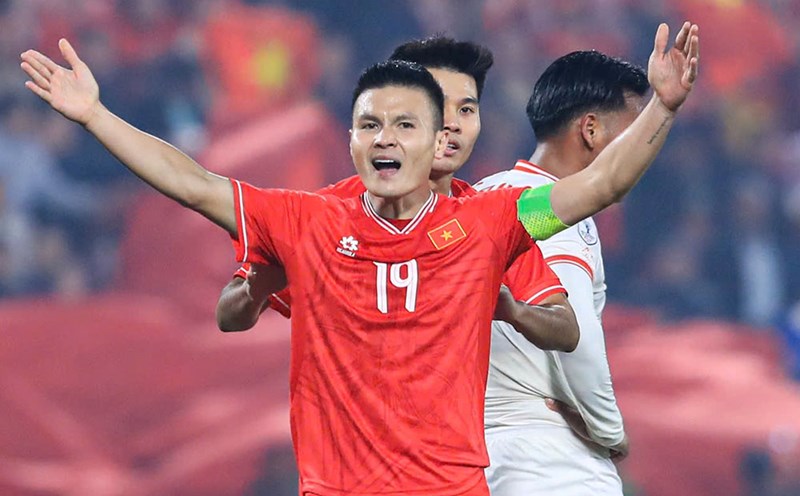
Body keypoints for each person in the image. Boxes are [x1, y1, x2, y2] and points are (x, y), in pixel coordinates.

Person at [20, 19, 697, 495]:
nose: (385, 139)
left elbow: (601, 184)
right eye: (370, 124)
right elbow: (193, 184)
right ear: (349, 137)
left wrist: (662, 109)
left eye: (405, 125)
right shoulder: (309, 219)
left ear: (438, 142)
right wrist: (96, 116)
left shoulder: (490, 223)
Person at [216, 37, 579, 353]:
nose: (450, 123)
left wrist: (512, 311)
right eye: (436, 106)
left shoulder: (491, 220)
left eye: (466, 109)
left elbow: (564, 329)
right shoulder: (326, 213)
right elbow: (229, 315)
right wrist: (254, 291)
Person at [475, 38, 697, 495]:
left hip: (475, 455)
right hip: (550, 459)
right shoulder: (552, 212)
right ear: (590, 130)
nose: (644, 149)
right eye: (634, 130)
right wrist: (609, 432)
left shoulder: (482, 197)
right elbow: (576, 340)